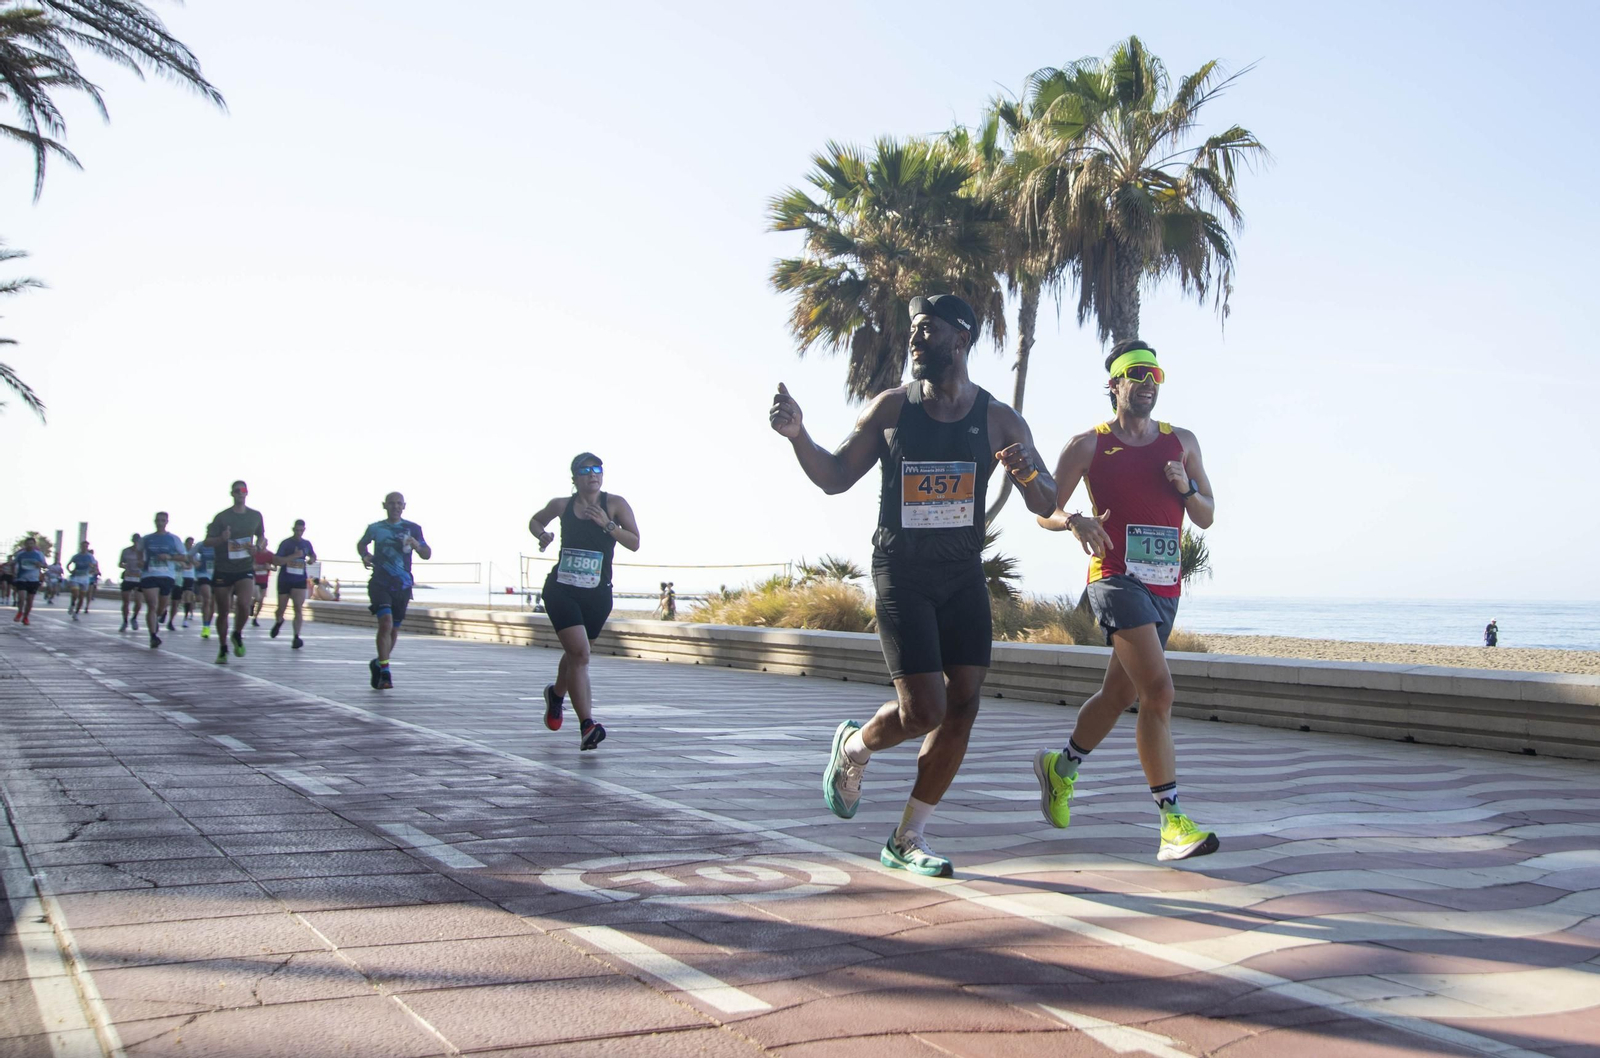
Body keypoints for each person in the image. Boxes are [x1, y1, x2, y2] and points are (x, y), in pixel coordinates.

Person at [769, 294, 1057, 878]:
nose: (915, 340)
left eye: (926, 330)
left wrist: (1023, 468)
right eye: (913, 331)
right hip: (902, 571)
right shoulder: (892, 409)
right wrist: (799, 436)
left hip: (962, 574)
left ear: (961, 340)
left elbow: (1047, 500)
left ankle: (908, 837)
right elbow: (834, 477)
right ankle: (853, 749)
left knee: (964, 704)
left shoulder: (998, 418)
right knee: (925, 708)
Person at [1031, 339, 1219, 863]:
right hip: (1113, 577)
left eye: (1155, 375)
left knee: (1118, 695)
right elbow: (1045, 507)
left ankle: (1060, 768)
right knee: (1158, 693)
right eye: (1136, 374)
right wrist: (1073, 520)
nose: (1147, 383)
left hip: (1165, 587)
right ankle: (1171, 822)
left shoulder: (1181, 442)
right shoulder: (1086, 445)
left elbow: (1206, 515)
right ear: (1113, 384)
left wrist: (1185, 489)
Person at [527, 454, 641, 750]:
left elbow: (635, 542)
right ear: (575, 478)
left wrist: (608, 526)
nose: (593, 475)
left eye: (597, 470)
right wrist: (543, 534)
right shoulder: (561, 505)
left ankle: (556, 694)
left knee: (577, 654)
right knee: (580, 655)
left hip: (597, 594)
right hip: (562, 590)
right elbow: (536, 519)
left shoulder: (614, 504)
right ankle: (587, 725)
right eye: (586, 471)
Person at [357, 492, 431, 689]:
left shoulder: (413, 528)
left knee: (394, 630)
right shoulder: (376, 528)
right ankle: (386, 672)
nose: (396, 506)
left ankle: (379, 663)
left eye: (399, 503)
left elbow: (427, 554)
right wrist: (365, 555)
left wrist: (417, 545)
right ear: (385, 505)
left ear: (404, 506)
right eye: (392, 503)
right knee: (385, 623)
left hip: (403, 585)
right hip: (380, 582)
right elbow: (362, 543)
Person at [202, 480, 266, 662]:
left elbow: (262, 536)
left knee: (245, 605)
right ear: (232, 493)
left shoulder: (255, 515)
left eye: (243, 490)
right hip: (223, 569)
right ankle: (223, 648)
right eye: (237, 490)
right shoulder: (222, 517)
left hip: (245, 567)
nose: (240, 493)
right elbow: (207, 541)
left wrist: (259, 546)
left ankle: (237, 633)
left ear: (247, 493)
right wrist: (222, 538)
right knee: (223, 611)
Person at [137, 513, 186, 648]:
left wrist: (169, 557)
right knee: (152, 605)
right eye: (158, 520)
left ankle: (160, 615)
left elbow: (183, 557)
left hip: (167, 576)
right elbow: (139, 552)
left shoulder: (174, 539)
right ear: (154, 521)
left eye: (163, 520)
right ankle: (153, 636)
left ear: (167, 522)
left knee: (161, 606)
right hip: (149, 575)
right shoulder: (146, 539)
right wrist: (140, 561)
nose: (160, 523)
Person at [271, 519, 316, 649]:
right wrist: (294, 556)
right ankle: (279, 621)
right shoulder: (285, 543)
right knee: (281, 609)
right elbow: (277, 561)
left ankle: (296, 637)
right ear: (293, 529)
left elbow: (313, 555)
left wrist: (311, 560)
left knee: (298, 607)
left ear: (304, 530)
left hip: (299, 580)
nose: (299, 533)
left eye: (301, 530)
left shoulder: (307, 544)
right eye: (296, 530)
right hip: (285, 580)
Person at [8, 537, 48, 625]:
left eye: (31, 544)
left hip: (33, 580)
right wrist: (13, 573)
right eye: (28, 544)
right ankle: (20, 612)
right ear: (25, 545)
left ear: (34, 545)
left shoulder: (39, 554)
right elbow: (13, 563)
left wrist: (40, 565)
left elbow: (45, 566)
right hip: (21, 578)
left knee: (29, 601)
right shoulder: (21, 554)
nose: (29, 545)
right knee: (21, 598)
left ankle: (25, 617)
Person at [191, 537, 216, 638]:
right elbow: (189, 555)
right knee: (207, 599)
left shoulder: (221, 544)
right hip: (203, 574)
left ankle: (208, 625)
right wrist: (195, 562)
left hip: (217, 575)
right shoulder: (201, 544)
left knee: (213, 604)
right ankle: (205, 627)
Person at [118, 534, 144, 631]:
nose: (136, 542)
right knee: (126, 601)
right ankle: (124, 621)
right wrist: (125, 567)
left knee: (138, 602)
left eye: (138, 540)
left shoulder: (143, 552)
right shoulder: (126, 551)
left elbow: (146, 563)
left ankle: (134, 618)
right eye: (135, 540)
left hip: (139, 578)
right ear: (132, 540)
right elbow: (120, 563)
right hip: (128, 578)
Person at [66, 543, 98, 620]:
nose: (85, 548)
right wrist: (70, 571)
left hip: (85, 578)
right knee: (75, 593)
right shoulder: (76, 556)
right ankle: (72, 604)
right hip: (76, 577)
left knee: (81, 597)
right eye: (83, 546)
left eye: (86, 546)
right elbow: (68, 565)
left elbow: (94, 567)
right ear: (80, 547)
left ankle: (76, 613)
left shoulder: (90, 557)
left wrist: (92, 569)